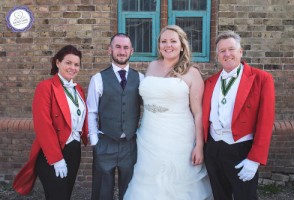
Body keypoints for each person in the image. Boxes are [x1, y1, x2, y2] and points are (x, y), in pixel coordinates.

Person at [124, 25, 213, 200]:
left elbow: (198, 113)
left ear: (182, 45)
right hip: (149, 136)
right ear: (159, 46)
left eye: (173, 41)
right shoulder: (152, 66)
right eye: (164, 41)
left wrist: (199, 146)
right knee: (147, 182)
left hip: (179, 138)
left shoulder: (192, 73)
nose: (168, 45)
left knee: (177, 184)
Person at [202, 30, 275, 200]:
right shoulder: (210, 82)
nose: (227, 54)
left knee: (246, 197)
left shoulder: (261, 79)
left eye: (231, 49)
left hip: (242, 150)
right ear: (217, 55)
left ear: (240, 51)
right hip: (213, 148)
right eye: (222, 51)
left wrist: (255, 159)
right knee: (220, 196)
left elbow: (265, 122)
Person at [13, 45, 88, 200]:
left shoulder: (78, 89)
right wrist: (56, 158)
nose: (72, 67)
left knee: (65, 195)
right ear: (57, 63)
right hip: (53, 152)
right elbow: (43, 125)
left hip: (74, 150)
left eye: (76, 64)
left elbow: (81, 117)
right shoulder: (45, 87)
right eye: (68, 63)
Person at [87, 33, 144, 200]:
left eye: (126, 47)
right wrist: (95, 141)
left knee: (130, 190)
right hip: (105, 142)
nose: (121, 51)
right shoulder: (98, 79)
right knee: (102, 192)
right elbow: (92, 112)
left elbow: (147, 108)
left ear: (131, 51)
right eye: (117, 47)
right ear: (109, 50)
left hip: (130, 145)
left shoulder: (140, 78)